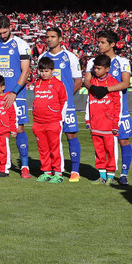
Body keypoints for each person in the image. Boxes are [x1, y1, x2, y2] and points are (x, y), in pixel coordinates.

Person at [0, 14, 33, 179]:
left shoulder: (21, 44)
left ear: (11, 27)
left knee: (18, 128)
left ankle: (25, 166)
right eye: (0, 33)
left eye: (5, 32)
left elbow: (26, 71)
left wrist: (13, 92)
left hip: (16, 94)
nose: (2, 35)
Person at [85, 29, 132, 185]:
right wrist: (93, 88)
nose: (99, 45)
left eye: (102, 42)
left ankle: (124, 173)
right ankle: (103, 174)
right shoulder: (93, 61)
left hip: (119, 108)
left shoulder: (123, 61)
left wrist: (105, 90)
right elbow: (87, 81)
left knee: (123, 141)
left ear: (112, 44)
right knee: (101, 141)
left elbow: (125, 83)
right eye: (98, 41)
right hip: (99, 109)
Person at [42, 27, 83, 182]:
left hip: (67, 106)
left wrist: (64, 98)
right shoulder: (42, 57)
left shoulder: (70, 57)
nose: (49, 39)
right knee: (50, 138)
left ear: (60, 39)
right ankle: (52, 169)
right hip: (48, 107)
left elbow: (78, 81)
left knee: (71, 134)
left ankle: (75, 171)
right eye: (47, 36)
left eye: (53, 36)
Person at [84, 54, 120, 184]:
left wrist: (115, 124)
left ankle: (110, 176)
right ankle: (102, 176)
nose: (95, 71)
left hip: (109, 125)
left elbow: (117, 105)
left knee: (110, 152)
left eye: (98, 68)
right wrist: (88, 119)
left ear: (107, 69)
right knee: (99, 151)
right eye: (95, 68)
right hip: (95, 124)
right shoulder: (92, 83)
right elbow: (89, 101)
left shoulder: (113, 84)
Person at [32, 56, 68, 183]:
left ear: (52, 71)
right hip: (38, 122)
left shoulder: (58, 84)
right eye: (41, 71)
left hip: (53, 121)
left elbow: (64, 101)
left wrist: (60, 119)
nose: (43, 73)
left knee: (55, 148)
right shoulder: (37, 84)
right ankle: (46, 172)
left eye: (46, 71)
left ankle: (58, 173)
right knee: (43, 149)